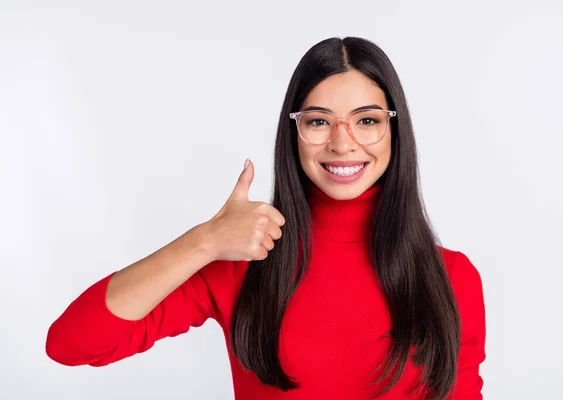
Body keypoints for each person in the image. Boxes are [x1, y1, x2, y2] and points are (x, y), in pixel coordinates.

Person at [46, 36, 486, 400]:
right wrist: (204, 241)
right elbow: (71, 344)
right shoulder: (244, 262)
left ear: (394, 130)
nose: (342, 142)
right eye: (318, 122)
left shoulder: (451, 278)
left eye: (366, 120)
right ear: (293, 132)